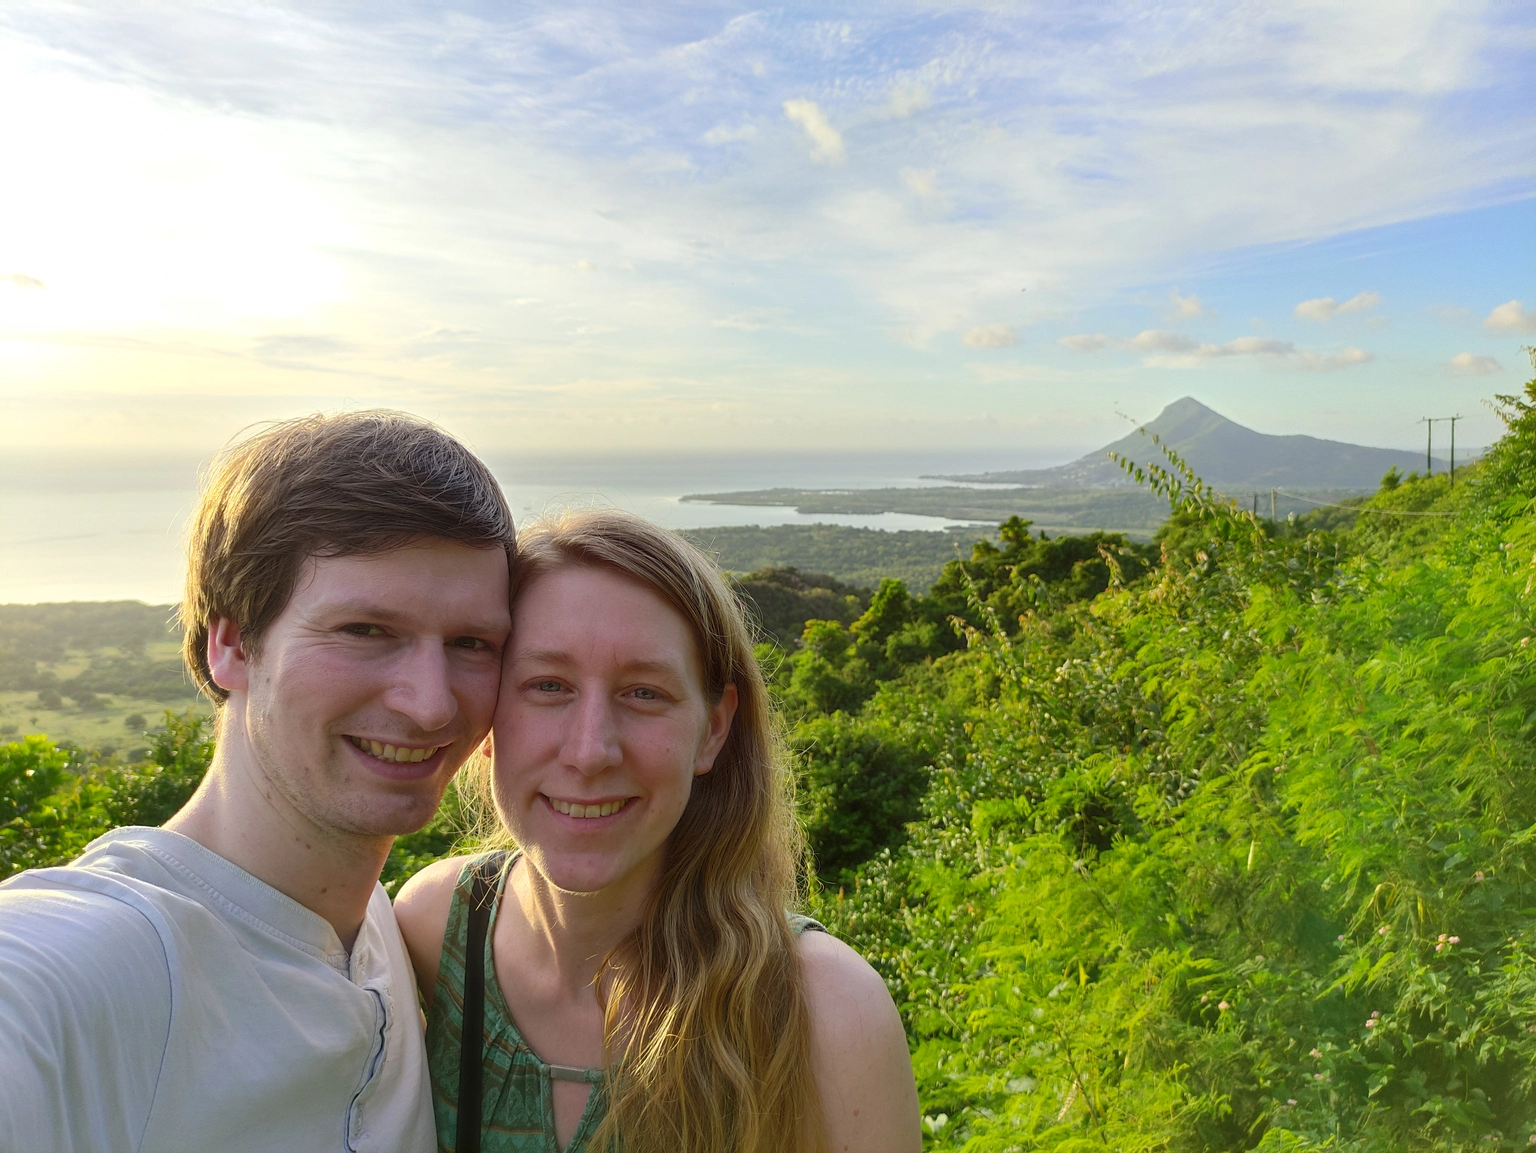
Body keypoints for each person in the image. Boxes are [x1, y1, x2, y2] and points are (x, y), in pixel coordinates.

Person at [0, 411, 516, 1152]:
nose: (431, 704)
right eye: (365, 630)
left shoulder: (385, 936)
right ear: (233, 643)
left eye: (472, 642)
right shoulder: (97, 965)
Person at [395, 509, 920, 1153]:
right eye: (548, 685)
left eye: (644, 693)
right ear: (486, 716)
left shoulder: (824, 1014)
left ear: (713, 730)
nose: (590, 751)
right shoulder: (436, 934)